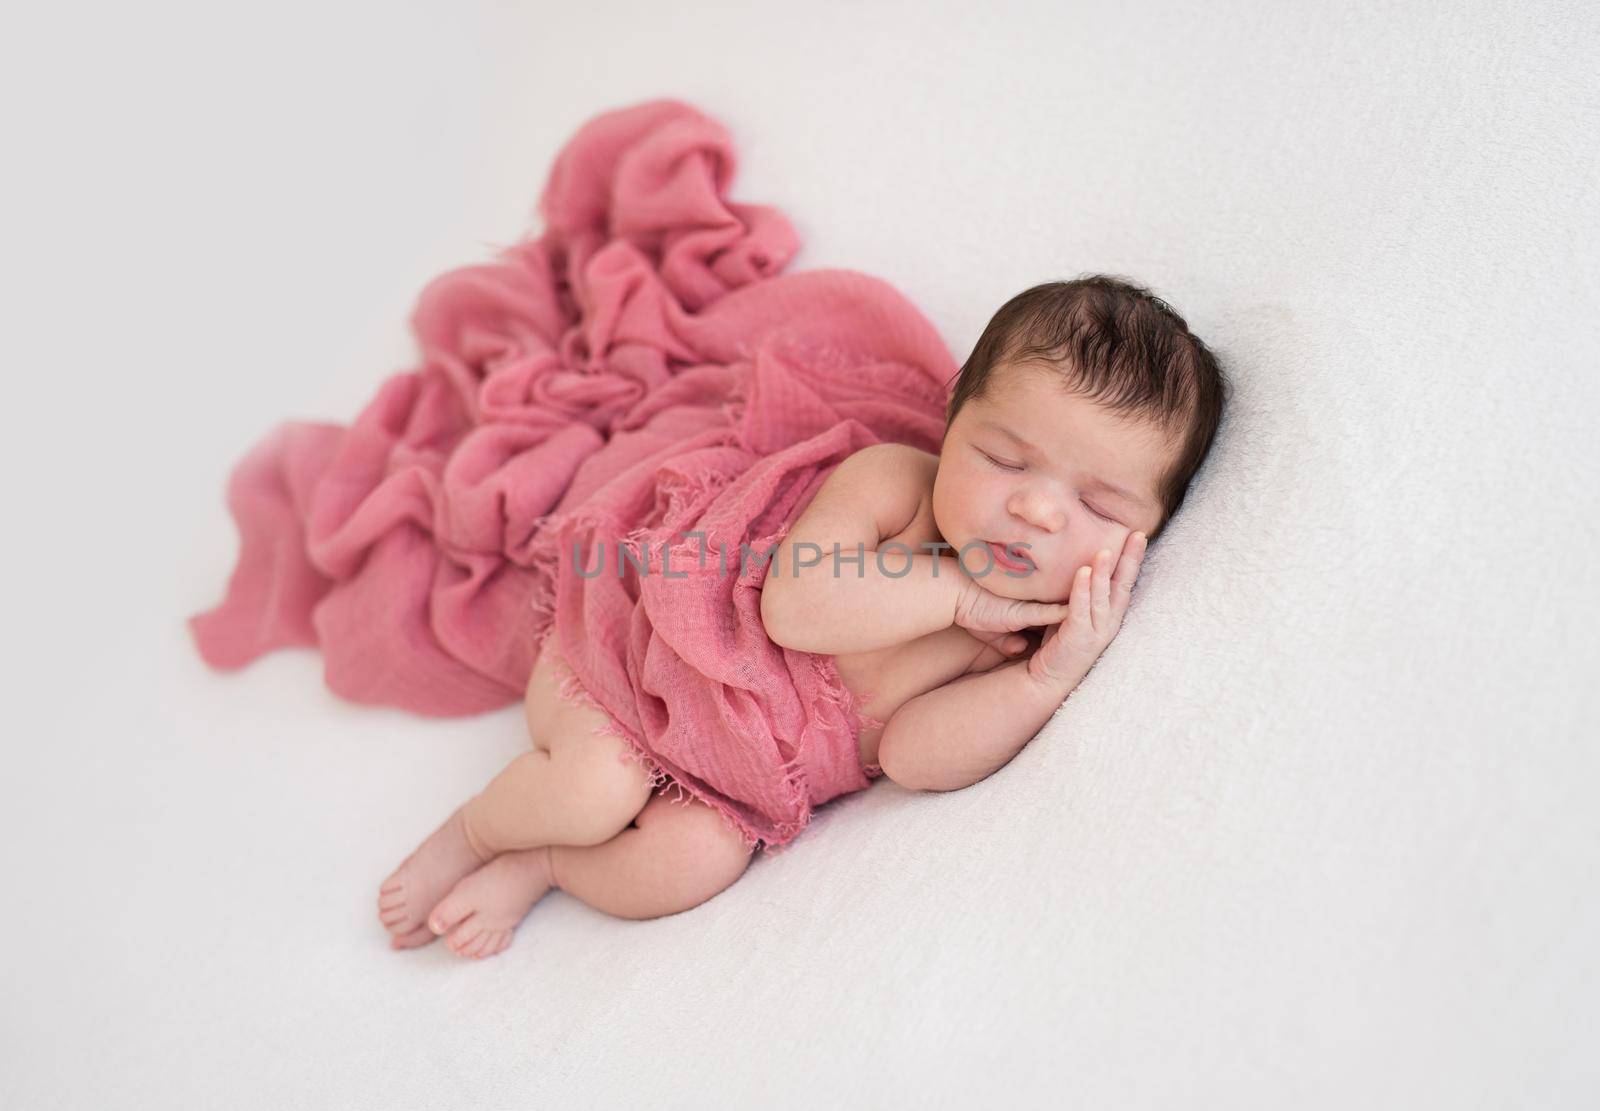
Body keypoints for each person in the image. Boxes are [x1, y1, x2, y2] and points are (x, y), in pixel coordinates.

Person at [377, 275, 1229, 958]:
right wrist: (958, 594)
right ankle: (474, 829)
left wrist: (1046, 676)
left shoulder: (1027, 638)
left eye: (1100, 505)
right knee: (596, 785)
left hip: (725, 777)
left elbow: (912, 755)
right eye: (1004, 457)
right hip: (638, 655)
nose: (1038, 511)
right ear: (951, 420)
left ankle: (543, 862)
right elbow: (796, 607)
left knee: (688, 865)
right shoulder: (898, 486)